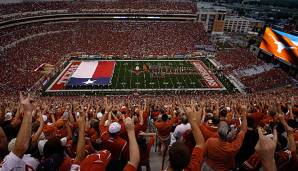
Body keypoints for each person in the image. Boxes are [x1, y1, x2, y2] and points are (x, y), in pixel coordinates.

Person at [203, 104, 248, 171]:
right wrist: (244, 113)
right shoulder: (233, 147)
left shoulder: (210, 141)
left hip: (207, 168)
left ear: (218, 131)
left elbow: (203, 155)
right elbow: (244, 130)